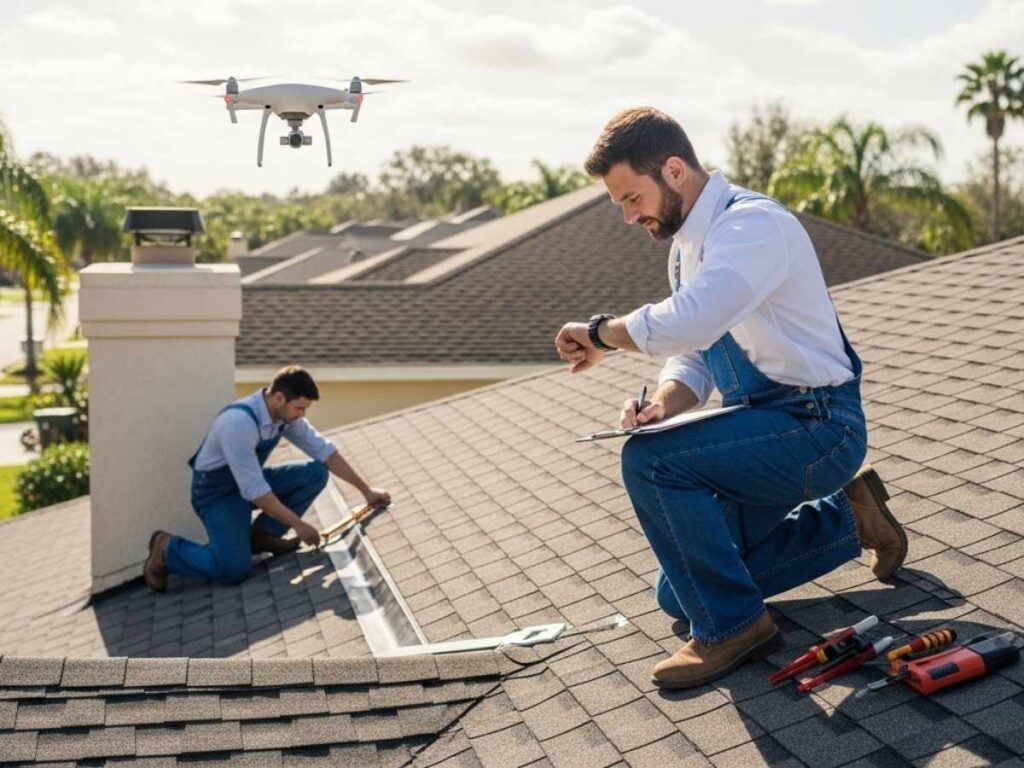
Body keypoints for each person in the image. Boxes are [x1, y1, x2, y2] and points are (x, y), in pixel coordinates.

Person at [554, 107, 906, 689]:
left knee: (651, 464)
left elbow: (691, 321)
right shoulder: (686, 249)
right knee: (679, 592)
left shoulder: (752, 227)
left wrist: (599, 334)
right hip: (766, 423)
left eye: (630, 197)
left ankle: (737, 628)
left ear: (673, 170)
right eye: (617, 203)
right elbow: (695, 354)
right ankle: (853, 518)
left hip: (819, 427)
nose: (626, 215)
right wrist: (662, 405)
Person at [143, 365, 390, 591]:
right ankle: (167, 549)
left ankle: (260, 536)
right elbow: (256, 492)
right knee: (234, 570)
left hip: (248, 484)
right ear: (280, 397)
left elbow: (324, 451)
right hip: (217, 494)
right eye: (299, 408)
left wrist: (366, 490)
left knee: (315, 473)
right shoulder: (238, 423)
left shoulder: (284, 415)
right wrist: (298, 524)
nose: (302, 415)